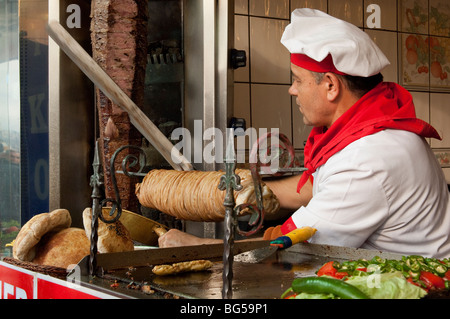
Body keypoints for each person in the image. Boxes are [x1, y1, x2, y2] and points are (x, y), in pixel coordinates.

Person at [159, 8, 450, 258]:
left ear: (331, 86)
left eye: (298, 80)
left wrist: (195, 246)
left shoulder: (368, 158)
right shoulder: (373, 129)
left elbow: (289, 252)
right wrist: (245, 192)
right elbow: (316, 187)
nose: (292, 90)